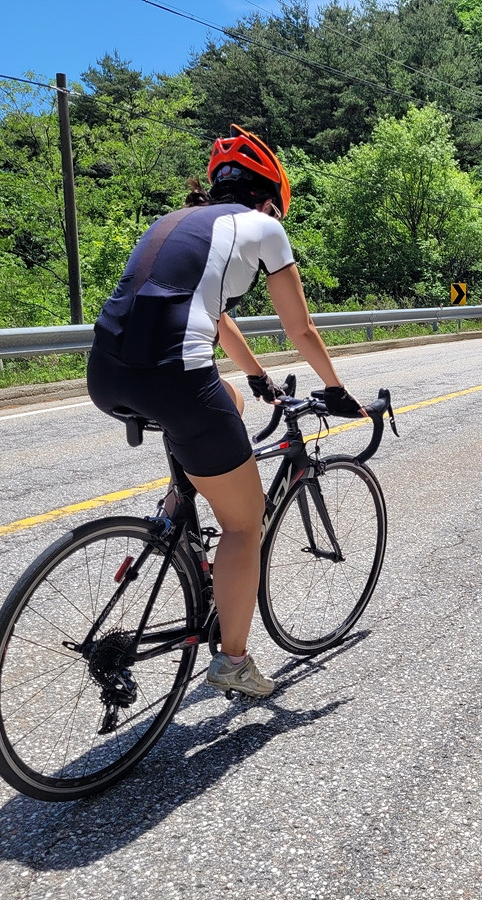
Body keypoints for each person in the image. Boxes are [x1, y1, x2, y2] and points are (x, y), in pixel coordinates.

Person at [86, 124, 364, 698]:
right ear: (269, 200)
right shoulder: (265, 228)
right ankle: (233, 662)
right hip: (175, 380)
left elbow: (215, 316)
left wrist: (256, 377)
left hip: (105, 372)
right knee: (244, 522)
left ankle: (177, 509)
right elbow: (301, 329)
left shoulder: (175, 221)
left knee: (229, 399)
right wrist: (336, 390)